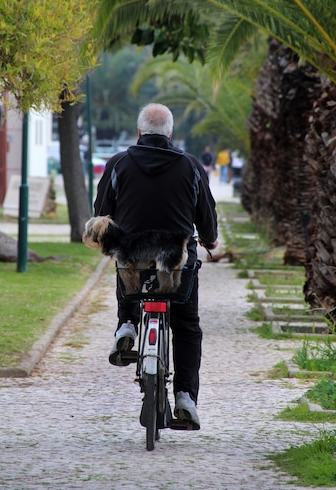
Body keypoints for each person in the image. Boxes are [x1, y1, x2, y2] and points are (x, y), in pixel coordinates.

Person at [94, 103, 218, 430]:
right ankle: (185, 398)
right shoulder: (191, 166)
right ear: (171, 133)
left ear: (138, 132)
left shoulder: (118, 163)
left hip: (133, 261)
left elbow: (101, 212)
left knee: (128, 268)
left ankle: (127, 325)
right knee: (187, 326)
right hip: (176, 265)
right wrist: (210, 239)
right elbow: (206, 215)